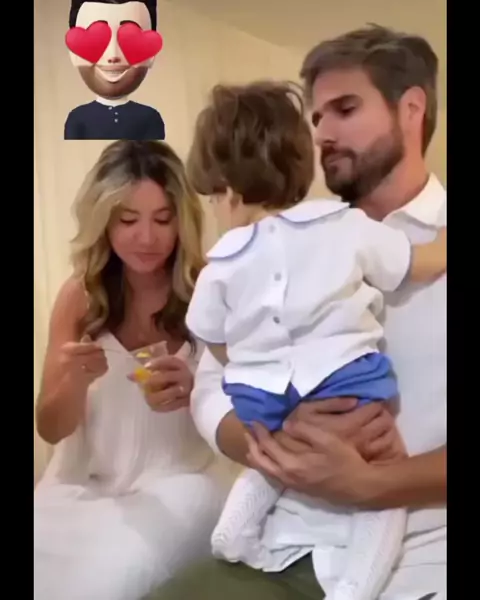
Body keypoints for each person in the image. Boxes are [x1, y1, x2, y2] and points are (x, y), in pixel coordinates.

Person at [146, 24, 446, 600]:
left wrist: (372, 483)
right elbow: (212, 383)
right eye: (315, 117)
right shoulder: (269, 244)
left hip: (426, 554)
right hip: (280, 541)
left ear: (412, 108)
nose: (323, 132)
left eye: (345, 109)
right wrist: (274, 439)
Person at [34, 140, 235, 600]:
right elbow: (49, 427)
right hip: (81, 487)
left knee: (103, 584)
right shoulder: (80, 297)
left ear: (182, 220)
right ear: (104, 220)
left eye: (163, 220)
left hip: (182, 484)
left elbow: (251, 409)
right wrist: (73, 382)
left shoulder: (208, 288)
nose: (147, 238)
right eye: (128, 220)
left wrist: (199, 392)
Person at [65, 1, 165, 140]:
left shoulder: (150, 117)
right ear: (74, 55)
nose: (113, 55)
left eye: (130, 39)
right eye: (97, 40)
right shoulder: (77, 118)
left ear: (151, 56)